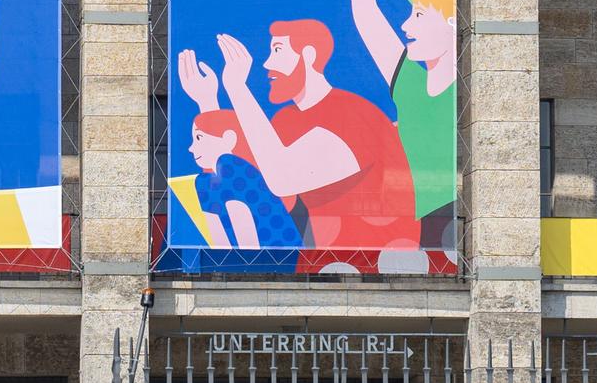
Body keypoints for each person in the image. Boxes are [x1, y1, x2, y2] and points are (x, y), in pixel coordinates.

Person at [176, 23, 418, 265]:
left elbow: (280, 178)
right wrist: (206, 100)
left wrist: (237, 87)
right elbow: (247, 173)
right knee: (210, 181)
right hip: (317, 260)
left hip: (371, 263)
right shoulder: (286, 120)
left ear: (308, 55)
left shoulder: (352, 114)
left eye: (278, 51)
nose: (267, 64)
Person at [340, 0, 461, 244]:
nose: (406, 26)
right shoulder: (408, 83)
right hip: (422, 222)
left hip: (458, 213)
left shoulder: (466, 90)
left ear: (452, 23)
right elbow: (367, 16)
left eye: (419, 15)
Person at [181, 110, 303, 255]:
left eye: (199, 138)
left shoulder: (230, 165)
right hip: (277, 254)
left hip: (273, 254)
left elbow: (240, 218)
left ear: (229, 138)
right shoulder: (207, 181)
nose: (191, 148)